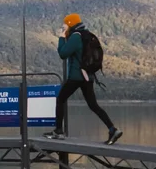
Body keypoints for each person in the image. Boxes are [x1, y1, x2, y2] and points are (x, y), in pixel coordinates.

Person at [46, 13, 121, 145]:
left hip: (76, 76)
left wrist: (62, 38)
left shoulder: (76, 37)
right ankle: (112, 129)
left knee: (60, 99)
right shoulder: (86, 35)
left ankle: (58, 131)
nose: (63, 26)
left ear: (70, 24)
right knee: (93, 105)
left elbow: (63, 53)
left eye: (65, 24)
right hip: (88, 76)